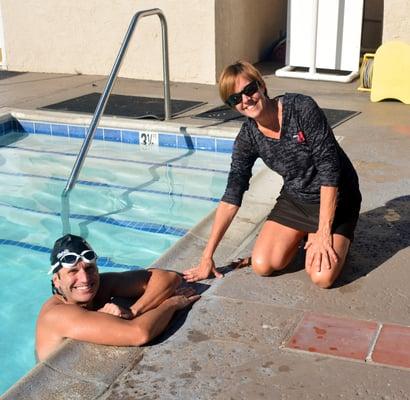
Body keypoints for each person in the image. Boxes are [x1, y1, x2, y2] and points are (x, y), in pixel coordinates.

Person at [183, 61, 361, 289]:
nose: (245, 100)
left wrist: (324, 231)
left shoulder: (300, 108)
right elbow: (232, 195)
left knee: (321, 277)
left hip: (338, 196)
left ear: (262, 86)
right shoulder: (248, 138)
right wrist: (206, 257)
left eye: (249, 90)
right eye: (235, 99)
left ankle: (330, 234)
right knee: (263, 265)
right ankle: (306, 235)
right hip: (297, 199)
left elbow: (329, 169)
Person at [36, 234, 199, 361]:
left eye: (90, 268)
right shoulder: (58, 315)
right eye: (73, 272)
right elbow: (139, 334)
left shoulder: (101, 285)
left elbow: (169, 278)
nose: (85, 279)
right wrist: (170, 304)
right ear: (56, 280)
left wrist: (134, 311)